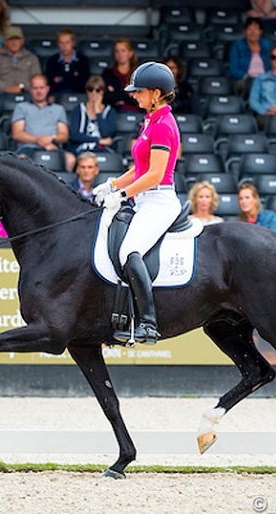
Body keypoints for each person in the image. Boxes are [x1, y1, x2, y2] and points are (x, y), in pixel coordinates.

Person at [91, 62, 181, 344]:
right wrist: (113, 184)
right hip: (144, 197)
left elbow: (155, 174)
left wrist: (121, 195)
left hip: (159, 200)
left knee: (130, 250)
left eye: (139, 92)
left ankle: (149, 323)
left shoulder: (164, 125)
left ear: (156, 93)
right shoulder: (151, 121)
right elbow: (140, 169)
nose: (134, 96)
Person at [11, 73, 75, 171]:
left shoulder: (58, 109)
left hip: (53, 148)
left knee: (70, 159)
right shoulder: (21, 107)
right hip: (28, 148)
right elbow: (17, 134)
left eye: (41, 87)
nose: (39, 91)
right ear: (30, 90)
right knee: (21, 159)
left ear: (47, 88)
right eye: (35, 88)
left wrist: (51, 138)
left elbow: (64, 136)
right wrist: (40, 141)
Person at [0, 26, 41, 108]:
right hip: (2, 91)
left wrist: (21, 87)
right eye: (10, 39)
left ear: (22, 41)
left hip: (25, 91)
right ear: (5, 42)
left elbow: (37, 79)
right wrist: (6, 88)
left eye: (17, 39)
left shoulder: (32, 58)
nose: (14, 42)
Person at [68, 75, 116, 155]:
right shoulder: (79, 110)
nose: (94, 93)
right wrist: (98, 140)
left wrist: (98, 113)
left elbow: (106, 134)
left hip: (103, 150)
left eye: (98, 90)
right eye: (90, 89)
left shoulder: (110, 111)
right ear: (87, 91)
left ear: (103, 91)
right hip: (81, 149)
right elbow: (74, 135)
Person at [228, 17, 274, 96]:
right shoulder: (237, 46)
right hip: (245, 80)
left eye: (256, 29)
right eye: (249, 29)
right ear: (245, 31)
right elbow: (233, 70)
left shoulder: (268, 45)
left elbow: (275, 65)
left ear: (260, 31)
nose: (253, 32)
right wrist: (247, 76)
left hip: (266, 79)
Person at [45, 29, 90, 96]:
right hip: (57, 96)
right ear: (58, 44)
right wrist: (72, 79)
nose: (64, 46)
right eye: (61, 43)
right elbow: (50, 83)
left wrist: (62, 79)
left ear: (73, 43)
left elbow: (84, 84)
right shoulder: (52, 60)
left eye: (67, 42)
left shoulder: (82, 60)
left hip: (78, 95)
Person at [102, 38, 138, 112]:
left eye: (123, 50)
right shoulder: (108, 73)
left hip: (136, 111)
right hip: (114, 111)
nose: (120, 54)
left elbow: (140, 98)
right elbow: (106, 97)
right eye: (117, 51)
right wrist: (128, 95)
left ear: (130, 53)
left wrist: (118, 96)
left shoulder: (138, 73)